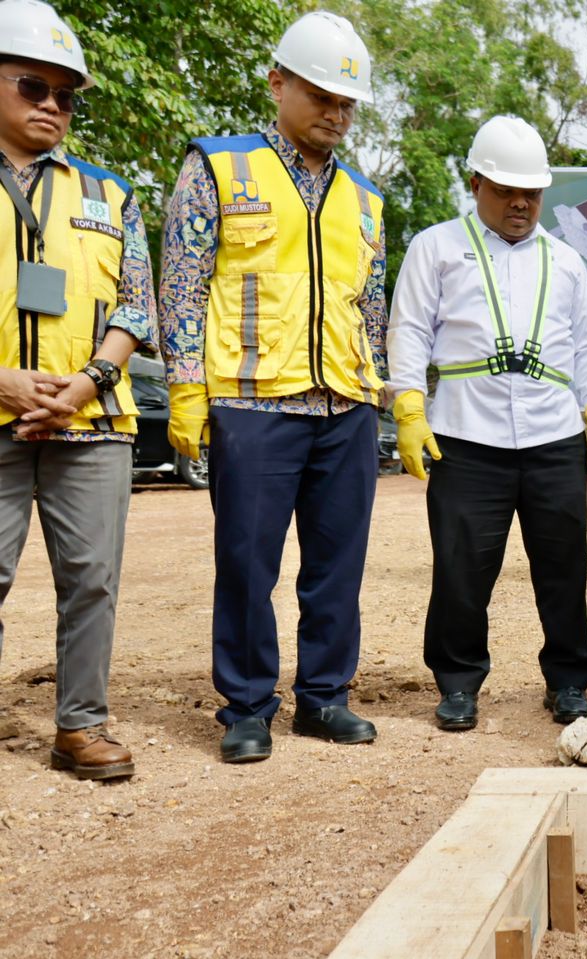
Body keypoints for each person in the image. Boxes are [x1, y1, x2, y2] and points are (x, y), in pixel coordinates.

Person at [159, 11, 387, 764]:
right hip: (252, 404)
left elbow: (370, 305)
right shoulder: (219, 167)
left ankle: (324, 697)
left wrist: (377, 391)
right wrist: (186, 387)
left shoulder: (365, 196)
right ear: (277, 83)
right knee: (247, 565)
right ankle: (248, 707)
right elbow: (183, 284)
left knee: (337, 568)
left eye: (347, 103)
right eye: (321, 95)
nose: (336, 113)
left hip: (344, 405)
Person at [387, 115, 587, 732]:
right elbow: (409, 330)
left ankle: (569, 681)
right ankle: (458, 683)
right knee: (461, 570)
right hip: (466, 437)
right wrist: (409, 405)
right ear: (475, 184)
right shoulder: (435, 247)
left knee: (562, 570)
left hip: (553, 436)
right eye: (507, 191)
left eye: (532, 193)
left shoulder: (566, 261)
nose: (521, 203)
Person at [0, 0, 156, 780]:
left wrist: (89, 381)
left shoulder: (109, 193)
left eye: (66, 95)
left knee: (91, 580)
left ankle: (81, 727)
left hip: (90, 420)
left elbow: (137, 305)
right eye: (33, 87)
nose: (53, 106)